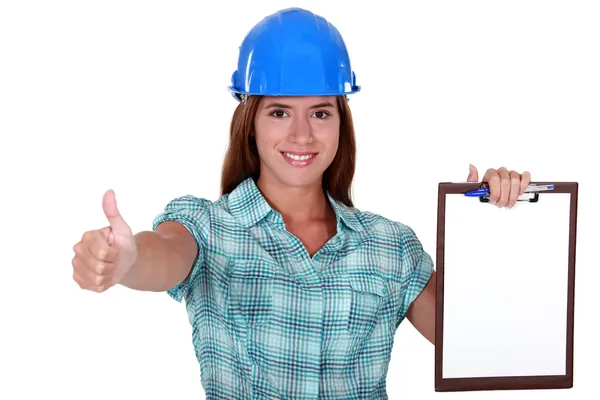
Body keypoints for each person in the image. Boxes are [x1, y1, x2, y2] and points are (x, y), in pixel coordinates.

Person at [71, 7, 532, 399]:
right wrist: (127, 260)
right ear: (250, 121)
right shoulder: (209, 227)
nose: (301, 135)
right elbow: (164, 256)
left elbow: (473, 342)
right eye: (279, 112)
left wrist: (491, 225)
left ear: (340, 122)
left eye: (319, 112)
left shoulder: (390, 247)